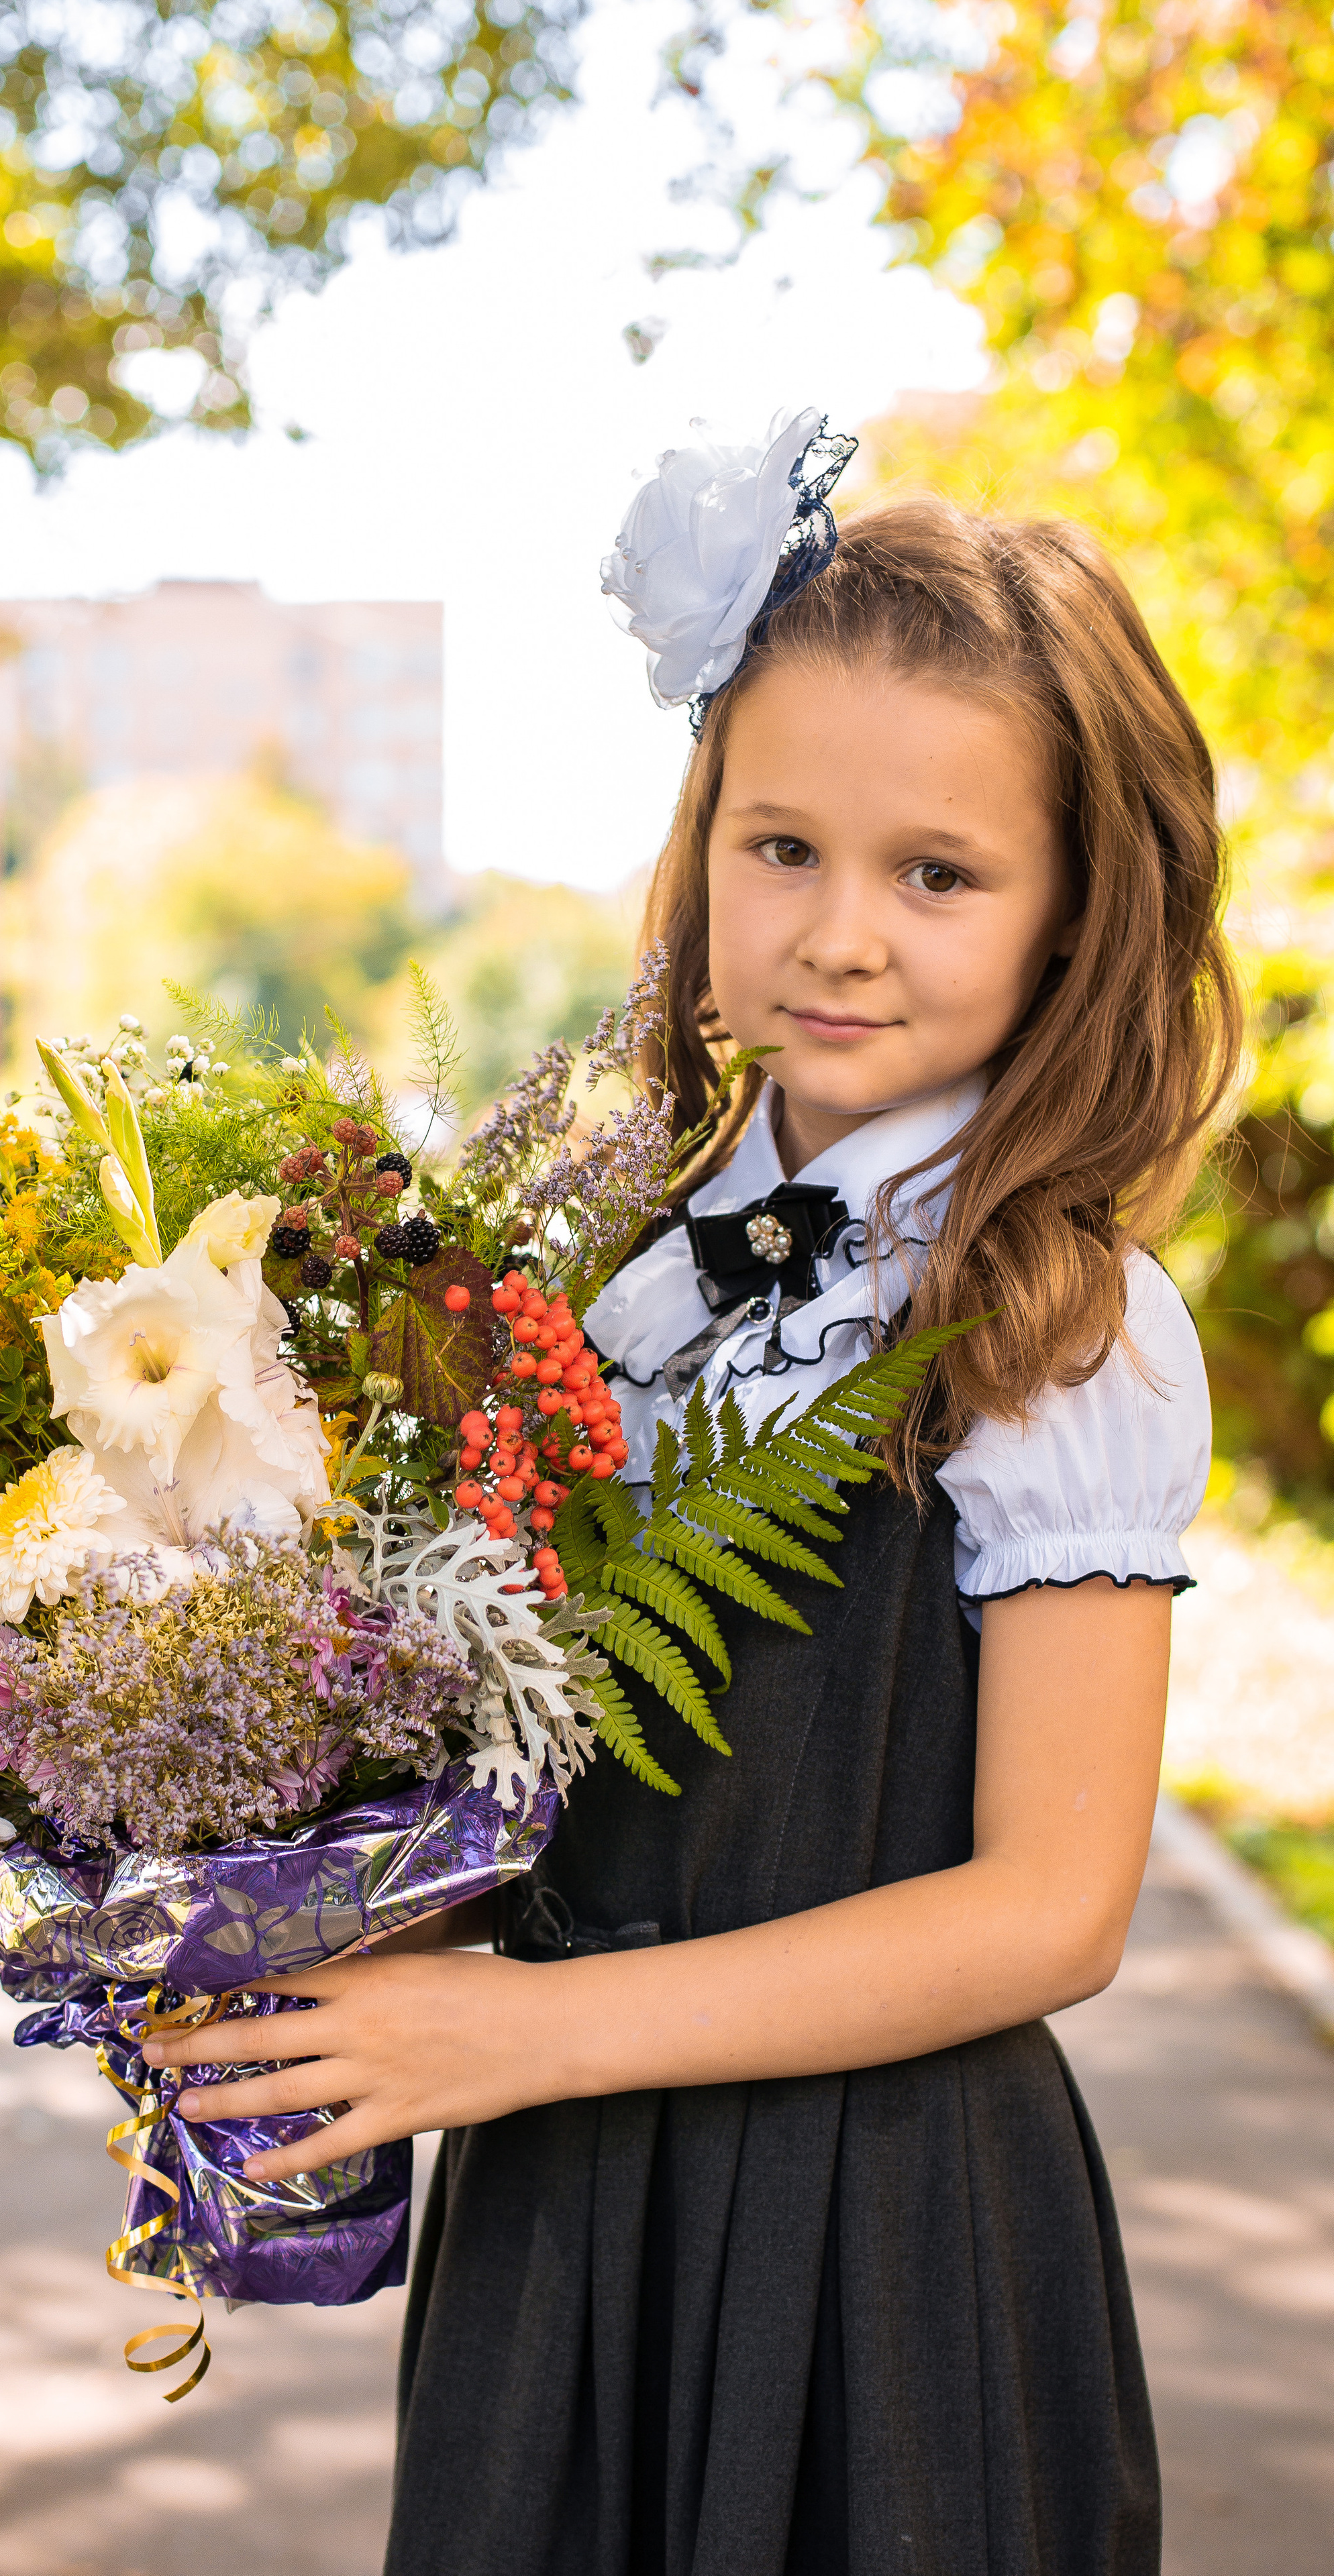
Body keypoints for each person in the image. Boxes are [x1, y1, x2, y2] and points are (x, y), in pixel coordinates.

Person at [142, 416, 1243, 2575]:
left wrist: (527, 2027)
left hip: (879, 2251)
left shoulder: (1059, 1324)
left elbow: (1055, 1907)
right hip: (562, 2231)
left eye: (939, 873)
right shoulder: (613, 1273)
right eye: (781, 849)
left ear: (1072, 916)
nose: (841, 934)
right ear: (700, 853)